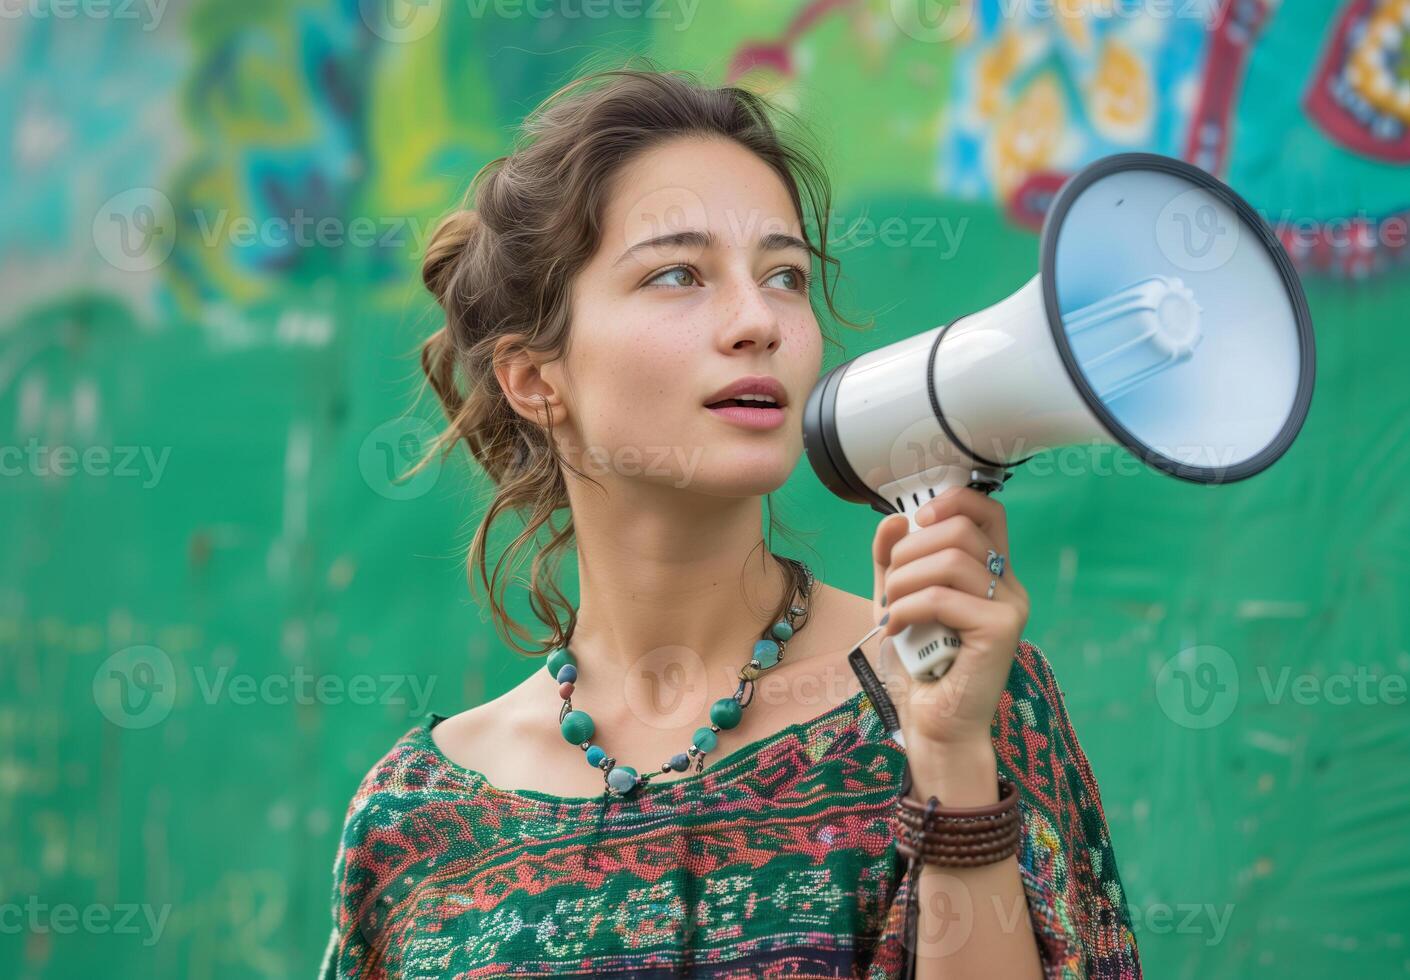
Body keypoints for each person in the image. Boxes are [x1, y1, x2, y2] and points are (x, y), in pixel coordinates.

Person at [318, 61, 1142, 979]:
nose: (759, 322)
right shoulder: (416, 823)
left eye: (785, 275)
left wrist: (949, 760)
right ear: (533, 378)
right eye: (678, 275)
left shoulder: (962, 688)